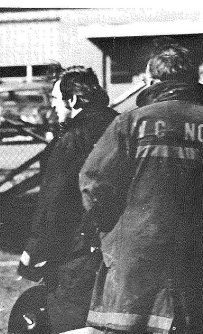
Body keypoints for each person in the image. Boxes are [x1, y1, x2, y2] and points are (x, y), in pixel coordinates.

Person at [80, 43, 203, 334]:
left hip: (135, 258)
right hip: (194, 255)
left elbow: (94, 183)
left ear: (152, 82)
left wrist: (110, 232)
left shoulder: (131, 122)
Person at [17, 66, 118, 334]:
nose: (54, 109)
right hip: (119, 252)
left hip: (77, 254)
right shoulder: (123, 127)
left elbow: (54, 203)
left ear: (72, 100)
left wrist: (33, 252)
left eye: (55, 101)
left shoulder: (72, 138)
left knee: (71, 325)